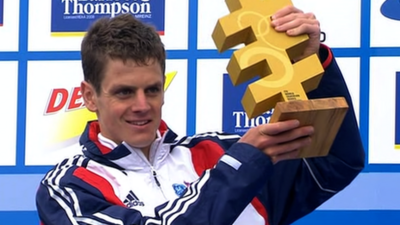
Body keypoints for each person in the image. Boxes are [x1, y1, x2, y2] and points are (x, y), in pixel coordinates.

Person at [35, 5, 365, 225]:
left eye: (152, 89)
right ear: (90, 96)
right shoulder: (67, 189)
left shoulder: (218, 152)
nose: (142, 105)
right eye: (124, 92)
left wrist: (310, 64)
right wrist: (240, 166)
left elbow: (336, 161)